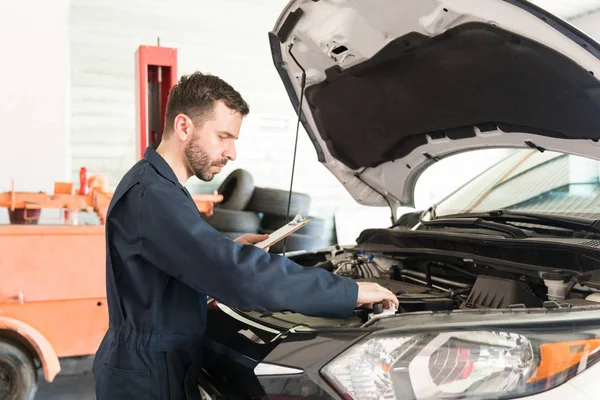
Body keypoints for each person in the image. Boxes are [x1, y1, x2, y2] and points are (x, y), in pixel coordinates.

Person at [92, 71, 399, 400]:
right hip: (147, 378)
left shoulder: (157, 185)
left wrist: (232, 247)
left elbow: (175, 261)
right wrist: (346, 292)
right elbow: (236, 275)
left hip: (153, 363)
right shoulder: (152, 195)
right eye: (223, 137)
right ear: (184, 127)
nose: (232, 153)